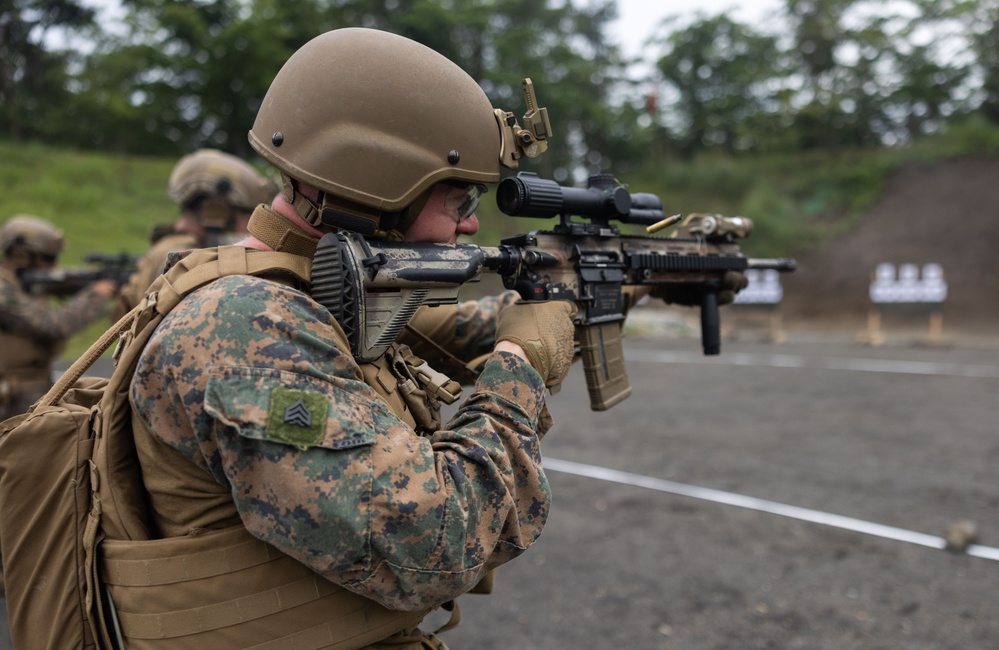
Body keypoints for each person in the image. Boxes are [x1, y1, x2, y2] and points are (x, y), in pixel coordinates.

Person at [112, 28, 577, 649]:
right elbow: (436, 544)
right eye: (460, 196)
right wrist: (520, 367)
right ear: (378, 182)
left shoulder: (303, 290)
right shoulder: (246, 326)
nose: (470, 223)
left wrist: (590, 297)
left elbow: (437, 331)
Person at [113, 148, 273, 319]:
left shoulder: (176, 246)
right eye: (251, 214)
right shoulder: (183, 257)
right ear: (218, 212)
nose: (254, 223)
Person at [0, 215, 118, 421]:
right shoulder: (3, 290)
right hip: (10, 397)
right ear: (21, 255)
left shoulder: (21, 284)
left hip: (29, 391)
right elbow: (51, 325)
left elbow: (60, 282)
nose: (53, 266)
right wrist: (95, 295)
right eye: (48, 259)